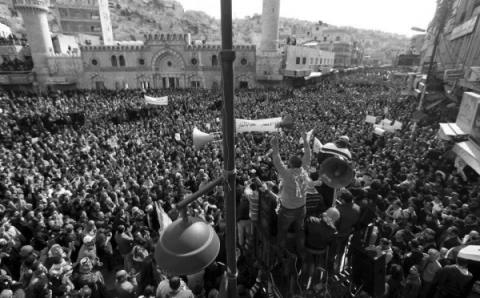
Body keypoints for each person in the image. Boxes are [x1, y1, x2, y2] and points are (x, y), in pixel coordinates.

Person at [270, 132, 311, 255]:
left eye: (288, 162)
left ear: (291, 165)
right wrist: (305, 140)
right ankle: (300, 250)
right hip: (302, 207)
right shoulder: (305, 169)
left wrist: (275, 146)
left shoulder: (287, 174)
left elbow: (277, 160)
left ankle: (279, 252)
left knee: (282, 231)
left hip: (287, 210)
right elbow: (308, 155)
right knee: (300, 230)